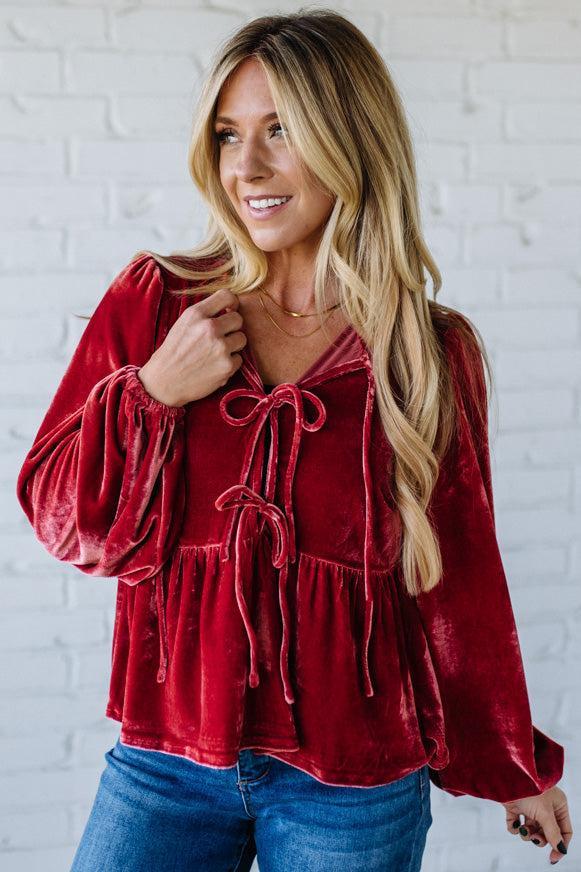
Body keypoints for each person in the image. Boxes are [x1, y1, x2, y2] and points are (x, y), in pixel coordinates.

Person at [16, 9, 572, 872]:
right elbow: (62, 519)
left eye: (281, 129)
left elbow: (455, 573)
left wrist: (513, 765)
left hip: (353, 785)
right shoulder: (160, 304)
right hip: (165, 762)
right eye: (229, 134)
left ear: (348, 136)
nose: (248, 167)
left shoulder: (426, 351)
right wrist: (156, 393)